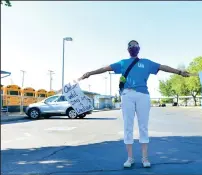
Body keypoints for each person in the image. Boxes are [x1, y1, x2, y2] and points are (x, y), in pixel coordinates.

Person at [78, 40, 190, 168]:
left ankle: (145, 158)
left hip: (143, 95)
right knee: (128, 126)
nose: (133, 47)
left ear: (139, 48)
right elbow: (105, 68)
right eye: (130, 46)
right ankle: (130, 158)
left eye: (135, 45)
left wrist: (180, 72)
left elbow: (163, 67)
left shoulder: (146, 62)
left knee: (143, 126)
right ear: (128, 49)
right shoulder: (123, 63)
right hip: (127, 95)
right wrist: (90, 73)